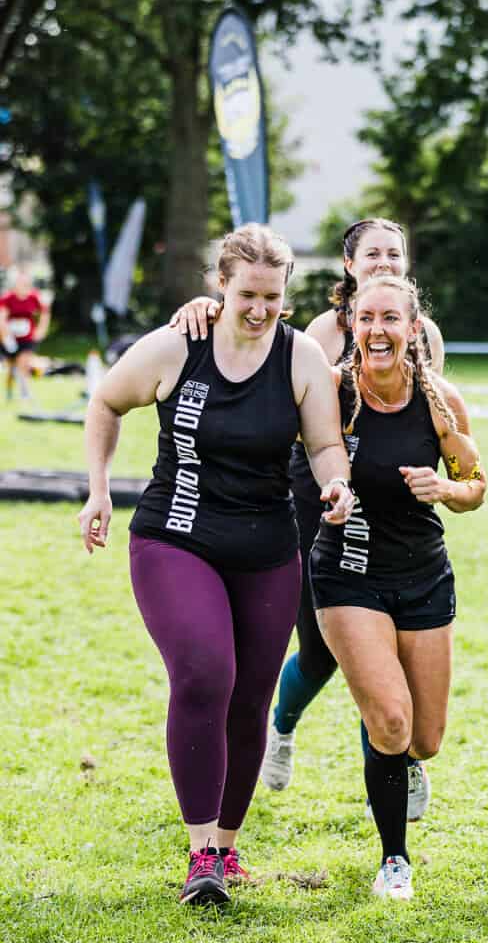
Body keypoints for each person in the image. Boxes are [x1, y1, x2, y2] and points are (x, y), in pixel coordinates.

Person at [77, 224, 355, 905]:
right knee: (205, 671)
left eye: (272, 296)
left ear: (286, 294)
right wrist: (99, 487)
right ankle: (200, 851)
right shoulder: (179, 346)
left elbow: (323, 443)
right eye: (247, 294)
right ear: (220, 287)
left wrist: (336, 480)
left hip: (267, 547)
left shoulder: (303, 358)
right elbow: (107, 400)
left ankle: (227, 851)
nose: (259, 309)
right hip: (176, 538)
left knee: (252, 697)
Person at [171, 219, 444, 820]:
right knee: (322, 650)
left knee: (395, 644)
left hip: (397, 509)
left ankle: (399, 762)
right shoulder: (319, 333)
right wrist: (205, 309)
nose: (384, 263)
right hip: (320, 495)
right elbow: (256, 358)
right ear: (348, 266)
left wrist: (443, 484)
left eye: (394, 254)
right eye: (372, 254)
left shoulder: (424, 333)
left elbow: (433, 416)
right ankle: (284, 724)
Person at [309, 272, 484, 900]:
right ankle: (394, 861)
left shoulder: (441, 403)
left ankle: (400, 764)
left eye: (391, 319)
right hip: (348, 572)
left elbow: (475, 485)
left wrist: (448, 489)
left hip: (423, 574)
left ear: (414, 329)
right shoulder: (329, 391)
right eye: (366, 318)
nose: (377, 331)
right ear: (351, 325)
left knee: (424, 740)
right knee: (388, 721)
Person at [0, 269, 51, 401]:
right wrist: (6, 337)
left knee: (23, 362)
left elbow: (45, 313)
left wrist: (41, 330)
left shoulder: (34, 297)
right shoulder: (7, 298)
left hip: (27, 338)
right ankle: (9, 390)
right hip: (10, 339)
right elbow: (2, 319)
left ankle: (25, 392)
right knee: (12, 367)